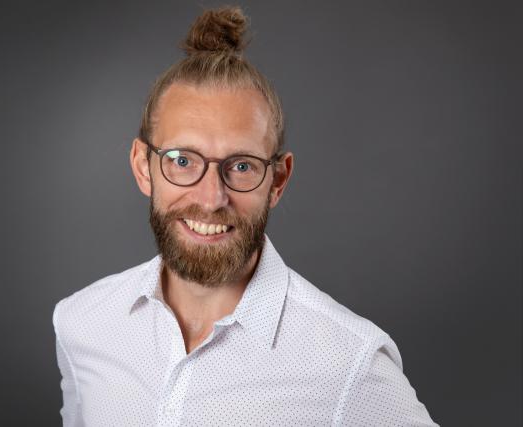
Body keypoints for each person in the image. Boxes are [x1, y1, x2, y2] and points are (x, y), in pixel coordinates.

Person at [53, 6, 437, 426]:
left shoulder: (350, 363)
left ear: (277, 181)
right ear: (143, 167)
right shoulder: (82, 323)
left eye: (241, 166)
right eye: (182, 160)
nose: (211, 198)